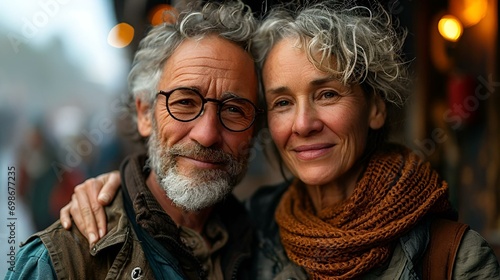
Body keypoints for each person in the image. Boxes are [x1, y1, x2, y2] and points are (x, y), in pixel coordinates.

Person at [60, 1, 500, 279]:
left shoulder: (452, 258)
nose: (303, 123)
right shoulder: (253, 226)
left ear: (376, 107)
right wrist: (112, 192)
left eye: (327, 93)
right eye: (283, 103)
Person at [6, 1, 261, 279]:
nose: (207, 134)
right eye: (185, 102)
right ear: (143, 114)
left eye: (234, 109)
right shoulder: (60, 261)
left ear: (257, 127)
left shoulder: (269, 238)